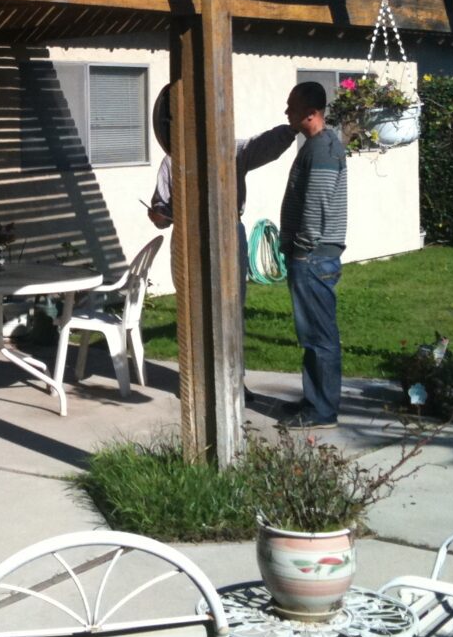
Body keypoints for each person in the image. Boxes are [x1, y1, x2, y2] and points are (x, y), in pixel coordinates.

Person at [145, 85, 297, 281]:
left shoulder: (232, 151)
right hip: (186, 239)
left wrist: (291, 130)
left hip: (229, 235)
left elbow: (264, 144)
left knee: (231, 302)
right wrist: (158, 216)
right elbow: (163, 211)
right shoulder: (170, 161)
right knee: (189, 299)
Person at [278, 81, 348, 429]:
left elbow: (316, 206)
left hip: (314, 258)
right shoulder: (318, 145)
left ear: (311, 112)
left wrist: (302, 250)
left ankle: (322, 412)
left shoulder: (322, 149)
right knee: (313, 336)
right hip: (314, 256)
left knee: (320, 337)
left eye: (291, 106)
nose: (286, 111)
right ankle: (314, 401)